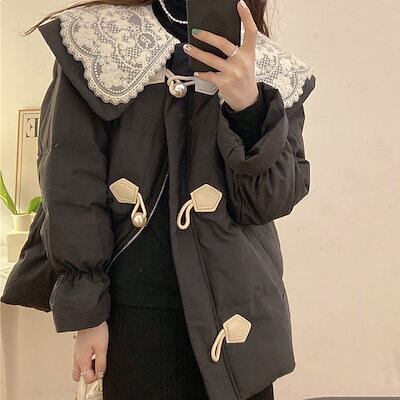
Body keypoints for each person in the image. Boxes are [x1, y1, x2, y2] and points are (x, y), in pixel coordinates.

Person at [1, 0, 316, 399]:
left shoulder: (272, 68)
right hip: (138, 309)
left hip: (239, 312)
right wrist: (88, 314)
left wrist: (249, 108)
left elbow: (270, 202)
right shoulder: (96, 40)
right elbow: (70, 184)